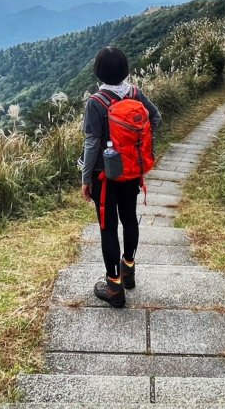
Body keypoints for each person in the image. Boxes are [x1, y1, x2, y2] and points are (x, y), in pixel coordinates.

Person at [80, 46, 161, 308]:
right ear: (125, 70)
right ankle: (128, 271)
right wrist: (134, 144)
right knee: (129, 219)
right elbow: (155, 118)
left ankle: (113, 288)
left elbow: (92, 145)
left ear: (98, 72)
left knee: (108, 227)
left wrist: (85, 179)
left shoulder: (96, 102)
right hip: (131, 171)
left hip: (104, 177)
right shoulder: (135, 93)